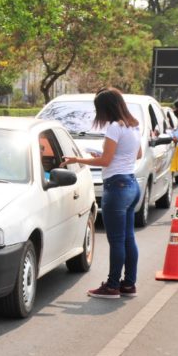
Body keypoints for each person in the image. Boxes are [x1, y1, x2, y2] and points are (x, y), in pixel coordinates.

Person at [61, 87, 141, 299]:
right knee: (128, 238)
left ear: (107, 108)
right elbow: (137, 153)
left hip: (117, 187)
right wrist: (103, 154)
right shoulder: (133, 126)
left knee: (116, 240)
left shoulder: (115, 127)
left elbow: (105, 161)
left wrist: (78, 159)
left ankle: (112, 286)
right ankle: (129, 284)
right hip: (132, 185)